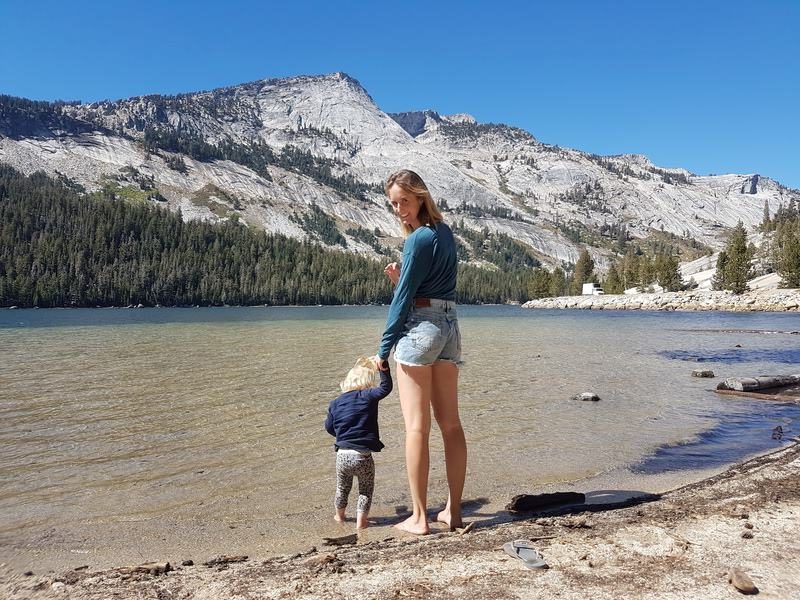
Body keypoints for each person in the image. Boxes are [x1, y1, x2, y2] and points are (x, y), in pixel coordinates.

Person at [373, 169, 466, 535]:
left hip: (422, 332)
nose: (399, 210)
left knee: (416, 428)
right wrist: (404, 281)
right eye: (394, 204)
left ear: (421, 197)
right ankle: (453, 512)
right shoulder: (445, 234)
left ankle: (418, 518)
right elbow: (428, 286)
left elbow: (403, 302)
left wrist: (384, 347)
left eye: (405, 202)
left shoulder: (416, 241)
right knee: (452, 425)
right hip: (450, 328)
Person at [325, 356, 393, 529]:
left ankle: (339, 517)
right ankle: (361, 523)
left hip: (342, 455)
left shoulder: (335, 403)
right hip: (362, 457)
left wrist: (341, 435)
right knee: (365, 490)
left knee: (342, 488)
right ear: (367, 381)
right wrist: (384, 369)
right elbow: (386, 388)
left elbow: (329, 427)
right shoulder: (367, 395)